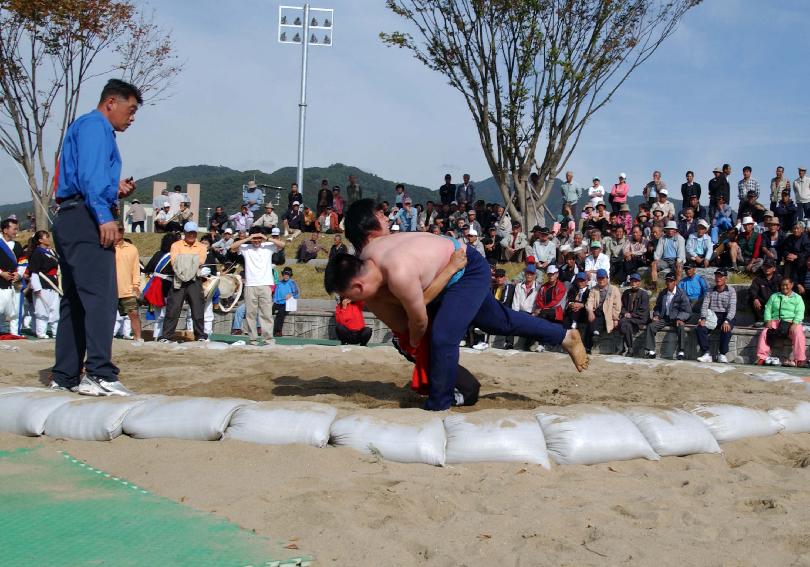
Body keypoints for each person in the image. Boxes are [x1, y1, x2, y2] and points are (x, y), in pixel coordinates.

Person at [328, 199, 587, 411]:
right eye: (381, 217)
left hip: (464, 269)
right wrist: (411, 336)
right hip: (445, 278)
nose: (387, 220)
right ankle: (564, 336)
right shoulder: (368, 263)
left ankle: (438, 405)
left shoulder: (391, 266)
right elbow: (408, 314)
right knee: (498, 321)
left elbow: (417, 315)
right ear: (370, 232)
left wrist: (415, 336)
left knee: (443, 337)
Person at [50, 79, 141, 395]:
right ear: (111, 103)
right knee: (101, 296)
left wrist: (113, 190)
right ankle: (99, 373)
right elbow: (88, 176)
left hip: (73, 215)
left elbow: (86, 177)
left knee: (74, 299)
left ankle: (64, 376)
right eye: (130, 110)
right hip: (85, 216)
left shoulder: (89, 127)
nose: (132, 118)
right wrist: (104, 216)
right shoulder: (95, 126)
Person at [231, 228, 284, 344]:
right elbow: (233, 247)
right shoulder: (246, 248)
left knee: (267, 313)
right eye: (254, 238)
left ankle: (268, 339)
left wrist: (266, 237)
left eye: (258, 238)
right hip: (250, 285)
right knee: (250, 314)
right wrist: (249, 238)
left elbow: (282, 245)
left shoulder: (268, 246)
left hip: (265, 285)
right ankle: (253, 339)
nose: (256, 241)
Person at [158, 222, 208, 343]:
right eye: (189, 232)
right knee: (173, 309)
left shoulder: (202, 246)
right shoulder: (175, 245)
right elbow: (174, 262)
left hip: (195, 280)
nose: (191, 235)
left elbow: (200, 261)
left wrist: (184, 259)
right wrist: (192, 260)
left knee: (197, 309)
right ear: (184, 233)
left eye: (194, 232)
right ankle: (166, 336)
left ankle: (200, 335)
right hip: (178, 279)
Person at [755, 277, 806, 367]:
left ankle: (800, 359)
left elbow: (800, 311)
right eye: (783, 285)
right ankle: (762, 357)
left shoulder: (797, 298)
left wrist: (795, 322)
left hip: (791, 321)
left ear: (791, 285)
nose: (784, 287)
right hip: (776, 321)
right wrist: (768, 320)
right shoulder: (774, 296)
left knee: (798, 333)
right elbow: (768, 309)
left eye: (787, 285)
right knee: (765, 332)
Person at [645, 272, 691, 360]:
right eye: (667, 281)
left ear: (675, 282)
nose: (668, 283)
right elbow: (657, 307)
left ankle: (681, 351)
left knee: (681, 326)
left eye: (671, 281)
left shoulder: (681, 294)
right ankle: (651, 351)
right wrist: (656, 315)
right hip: (665, 318)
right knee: (651, 326)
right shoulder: (663, 293)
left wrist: (680, 318)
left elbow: (687, 310)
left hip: (676, 318)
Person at [696, 269, 736, 363]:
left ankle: (722, 354)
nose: (718, 278)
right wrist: (702, 318)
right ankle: (706, 353)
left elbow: (732, 308)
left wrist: (727, 320)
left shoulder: (731, 291)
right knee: (700, 328)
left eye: (721, 276)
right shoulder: (709, 290)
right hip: (713, 316)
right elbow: (705, 306)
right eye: (717, 276)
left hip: (727, 316)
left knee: (726, 329)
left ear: (725, 278)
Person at [26, 230, 60, 339]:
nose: (49, 239)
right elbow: (34, 273)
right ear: (40, 240)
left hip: (54, 285)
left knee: (55, 310)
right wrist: (37, 288)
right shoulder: (37, 253)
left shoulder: (52, 252)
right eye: (46, 237)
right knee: (42, 310)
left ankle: (56, 332)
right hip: (43, 284)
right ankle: (41, 332)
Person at [114, 226, 141, 342]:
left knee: (134, 314)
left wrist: (136, 285)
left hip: (127, 288)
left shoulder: (132, 249)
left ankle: (138, 337)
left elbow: (136, 269)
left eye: (120, 230)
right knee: (106, 316)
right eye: (116, 230)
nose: (118, 233)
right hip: (109, 289)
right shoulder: (105, 247)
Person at [584, 268, 621, 354]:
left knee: (596, 319)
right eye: (599, 278)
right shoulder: (594, 289)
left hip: (608, 313)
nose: (601, 280)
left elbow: (617, 305)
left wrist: (615, 318)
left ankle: (594, 336)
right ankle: (592, 339)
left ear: (607, 278)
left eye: (603, 278)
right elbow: (590, 301)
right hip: (596, 312)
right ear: (597, 279)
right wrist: (590, 311)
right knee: (590, 319)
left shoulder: (614, 289)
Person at [614, 273, 649, 356]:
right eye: (632, 281)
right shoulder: (626, 293)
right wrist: (625, 313)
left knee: (624, 322)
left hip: (640, 318)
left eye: (636, 281)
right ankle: (630, 348)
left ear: (639, 283)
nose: (633, 283)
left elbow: (643, 310)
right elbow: (621, 306)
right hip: (628, 319)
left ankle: (624, 347)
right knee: (625, 324)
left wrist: (631, 315)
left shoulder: (644, 294)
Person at [0, 217, 23, 335]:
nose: (16, 231)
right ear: (5, 230)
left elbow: (23, 261)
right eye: (14, 229)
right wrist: (1, 273)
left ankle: (15, 334)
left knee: (16, 311)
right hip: (1, 283)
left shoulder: (17, 245)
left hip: (15, 283)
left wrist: (19, 273)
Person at [749, 259, 782, 325]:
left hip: (775, 303)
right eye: (765, 266)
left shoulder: (779, 279)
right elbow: (752, 290)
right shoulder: (758, 279)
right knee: (752, 299)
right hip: (763, 303)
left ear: (774, 269)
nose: (767, 269)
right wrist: (755, 298)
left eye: (769, 267)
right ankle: (760, 320)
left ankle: (777, 319)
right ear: (762, 267)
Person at [272, 267, 299, 337]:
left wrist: (291, 294)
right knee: (268, 311)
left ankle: (278, 331)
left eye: (288, 274)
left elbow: (297, 293)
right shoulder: (279, 283)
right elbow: (275, 294)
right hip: (278, 303)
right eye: (285, 274)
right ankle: (264, 329)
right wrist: (273, 301)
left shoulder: (292, 282)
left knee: (280, 313)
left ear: (290, 275)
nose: (286, 276)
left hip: (288, 303)